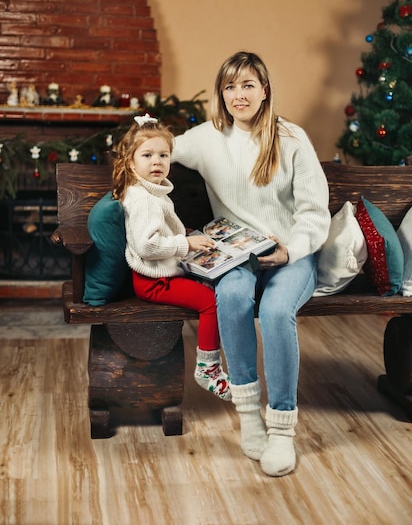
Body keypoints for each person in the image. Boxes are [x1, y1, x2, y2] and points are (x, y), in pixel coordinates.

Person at [172, 51, 331, 476]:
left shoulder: (292, 138)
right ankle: (248, 415)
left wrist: (292, 250)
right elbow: (158, 149)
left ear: (264, 90)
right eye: (229, 86)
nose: (238, 94)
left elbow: (314, 211)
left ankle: (281, 429)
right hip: (235, 255)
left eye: (247, 85)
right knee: (233, 296)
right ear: (220, 95)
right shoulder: (206, 137)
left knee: (278, 313)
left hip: (289, 254)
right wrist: (142, 137)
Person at [112, 113, 231, 401]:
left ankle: (226, 358)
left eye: (163, 155)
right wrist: (185, 243)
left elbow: (160, 232)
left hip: (162, 272)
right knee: (211, 302)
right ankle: (208, 367)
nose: (157, 161)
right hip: (155, 281)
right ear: (131, 161)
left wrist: (188, 235)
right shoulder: (144, 199)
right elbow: (146, 246)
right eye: (148, 155)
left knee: (215, 281)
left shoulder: (152, 191)